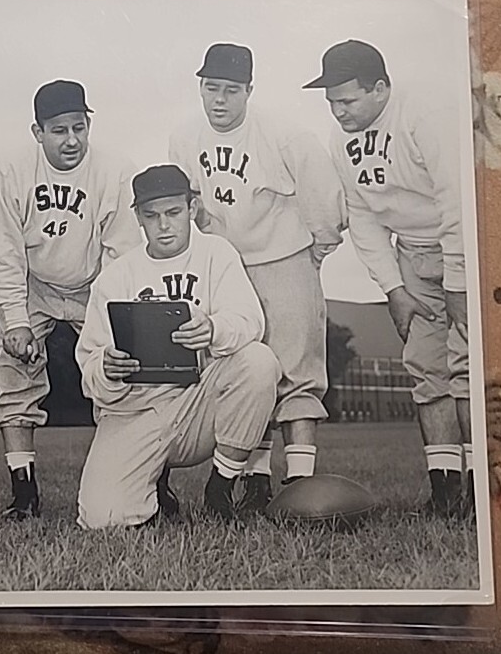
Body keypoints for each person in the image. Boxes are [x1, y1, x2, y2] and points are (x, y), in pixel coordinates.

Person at [168, 43, 346, 513]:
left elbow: (325, 198)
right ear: (200, 87)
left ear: (249, 90)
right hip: (226, 265)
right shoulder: (185, 136)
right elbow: (188, 205)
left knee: (298, 373)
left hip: (284, 258)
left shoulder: (285, 135)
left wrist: (316, 251)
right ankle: (256, 480)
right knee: (247, 370)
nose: (219, 100)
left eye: (231, 90)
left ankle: (301, 483)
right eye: (211, 88)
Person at [303, 39, 472, 517]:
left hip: (466, 246)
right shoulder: (342, 139)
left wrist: (458, 283)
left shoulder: (425, 114)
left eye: (348, 100)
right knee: (425, 370)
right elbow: (363, 217)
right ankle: (446, 492)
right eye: (331, 102)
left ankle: (484, 489)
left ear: (380, 88)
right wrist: (393, 288)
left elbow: (458, 201)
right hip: (411, 255)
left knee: (469, 367)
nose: (338, 111)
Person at [75, 164, 281, 529]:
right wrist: (107, 368)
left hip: (200, 400)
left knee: (258, 361)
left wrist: (214, 328)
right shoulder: (117, 276)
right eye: (152, 215)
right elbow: (89, 368)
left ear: (192, 208)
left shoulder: (217, 253)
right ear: (138, 217)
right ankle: (153, 490)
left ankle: (220, 486)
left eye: (173, 212)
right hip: (137, 409)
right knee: (102, 517)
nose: (164, 225)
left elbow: (251, 321)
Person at [0, 79, 141, 520]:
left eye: (79, 127)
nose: (72, 140)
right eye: (59, 130)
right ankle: (23, 491)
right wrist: (14, 320)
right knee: (13, 373)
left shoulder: (115, 170)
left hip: (95, 285)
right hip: (34, 283)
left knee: (121, 371)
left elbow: (122, 254)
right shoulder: (11, 171)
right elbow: (3, 250)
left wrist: (106, 323)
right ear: (38, 132)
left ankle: (144, 477)